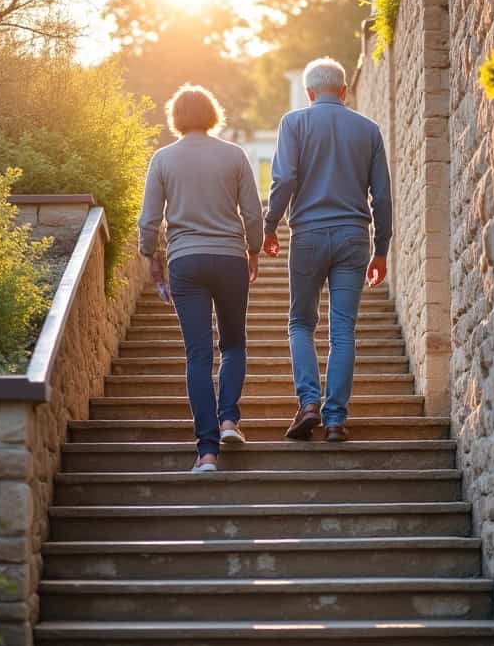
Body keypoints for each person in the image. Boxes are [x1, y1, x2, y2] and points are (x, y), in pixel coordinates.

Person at [263, 57, 392, 443]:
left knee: (301, 323)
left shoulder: (293, 123)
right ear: (344, 91)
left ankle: (308, 403)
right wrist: (381, 249)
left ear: (309, 93)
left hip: (308, 236)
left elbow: (284, 179)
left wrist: (269, 225)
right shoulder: (368, 130)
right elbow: (382, 196)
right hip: (354, 238)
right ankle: (335, 420)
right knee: (343, 330)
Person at [138, 84, 263, 473]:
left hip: (185, 261)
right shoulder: (235, 155)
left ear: (175, 117)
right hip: (230, 259)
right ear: (212, 114)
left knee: (198, 354)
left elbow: (149, 220)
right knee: (233, 344)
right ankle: (229, 421)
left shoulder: (163, 159)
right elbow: (252, 213)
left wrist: (151, 256)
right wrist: (254, 250)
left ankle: (207, 453)